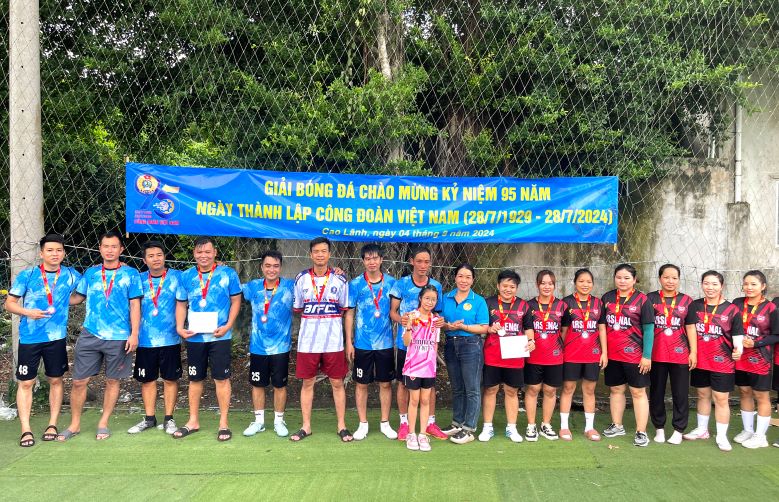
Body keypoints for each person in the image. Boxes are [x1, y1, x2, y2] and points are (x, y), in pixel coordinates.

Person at [58, 230, 143, 441]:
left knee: (113, 381)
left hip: (119, 336)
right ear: (100, 249)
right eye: (106, 246)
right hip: (91, 333)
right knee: (79, 381)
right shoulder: (91, 273)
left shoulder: (131, 274)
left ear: (121, 249)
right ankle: (75, 424)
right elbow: (77, 298)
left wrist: (134, 334)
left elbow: (135, 305)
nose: (110, 250)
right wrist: (53, 297)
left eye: (114, 246)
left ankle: (103, 422)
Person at [5, 234, 81, 447]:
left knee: (55, 380)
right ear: (41, 253)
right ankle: (25, 429)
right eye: (50, 250)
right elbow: (9, 304)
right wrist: (28, 312)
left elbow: (81, 295)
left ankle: (52, 424)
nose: (54, 254)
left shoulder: (71, 275)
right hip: (30, 338)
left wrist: (68, 302)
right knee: (26, 382)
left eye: (59, 250)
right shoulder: (28, 275)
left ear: (64, 253)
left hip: (56, 339)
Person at [173, 236, 242, 441]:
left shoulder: (227, 273)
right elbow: (181, 304)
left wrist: (228, 325)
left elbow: (236, 300)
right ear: (194, 253)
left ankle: (223, 423)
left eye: (208, 252)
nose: (204, 256)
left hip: (219, 336)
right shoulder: (186, 277)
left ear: (215, 253)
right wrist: (179, 327)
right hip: (195, 337)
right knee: (195, 379)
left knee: (222, 378)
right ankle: (193, 420)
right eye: (199, 252)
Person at [289, 237, 351, 442]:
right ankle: (306, 426)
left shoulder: (340, 280)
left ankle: (341, 425)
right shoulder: (301, 279)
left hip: (333, 341)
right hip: (308, 342)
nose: (320, 255)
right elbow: (298, 308)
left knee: (337, 382)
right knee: (308, 382)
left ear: (329, 254)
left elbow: (344, 309)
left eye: (324, 251)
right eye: (316, 251)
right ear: (311, 254)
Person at [388, 246, 447, 441]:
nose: (423, 265)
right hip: (407, 344)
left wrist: (440, 321)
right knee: (404, 385)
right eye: (419, 261)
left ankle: (429, 423)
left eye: (426, 261)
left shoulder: (436, 286)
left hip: (427, 348)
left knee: (428, 386)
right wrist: (403, 321)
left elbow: (437, 314)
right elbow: (393, 312)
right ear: (411, 261)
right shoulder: (401, 284)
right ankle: (404, 422)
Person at [683, 270, 744, 451]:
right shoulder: (694, 306)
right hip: (700, 359)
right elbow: (690, 330)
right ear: (702, 285)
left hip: (722, 361)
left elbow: (737, 335)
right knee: (702, 394)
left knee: (721, 398)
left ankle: (722, 435)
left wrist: (738, 350)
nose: (710, 287)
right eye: (706, 283)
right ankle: (702, 430)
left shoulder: (732, 309)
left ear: (721, 286)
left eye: (714, 284)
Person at [127, 241, 184, 435]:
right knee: (147, 380)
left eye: (159, 254)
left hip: (171, 339)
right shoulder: (138, 279)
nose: (156, 259)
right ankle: (149, 418)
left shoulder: (178, 277)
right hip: (145, 340)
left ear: (164, 256)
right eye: (151, 256)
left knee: (170, 379)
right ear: (144, 260)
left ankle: (169, 419)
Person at [345, 243, 398, 440]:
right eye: (368, 258)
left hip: (384, 344)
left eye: (375, 258)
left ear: (381, 260)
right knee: (361, 384)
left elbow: (396, 312)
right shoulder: (356, 284)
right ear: (363, 261)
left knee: (385, 384)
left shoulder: (392, 283)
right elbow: (349, 314)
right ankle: (363, 424)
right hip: (362, 344)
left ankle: (385, 423)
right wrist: (349, 342)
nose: (372, 262)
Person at [599, 263, 654, 447]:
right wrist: (604, 352)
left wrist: (646, 355)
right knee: (616, 390)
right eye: (619, 277)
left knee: (638, 392)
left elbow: (648, 330)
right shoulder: (607, 297)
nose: (622, 281)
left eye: (626, 278)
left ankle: (641, 431)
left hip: (635, 356)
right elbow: (603, 327)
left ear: (634, 280)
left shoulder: (642, 300)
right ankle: (617, 425)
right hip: (613, 356)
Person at [241, 250, 294, 438]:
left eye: (276, 266)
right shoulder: (253, 287)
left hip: (281, 347)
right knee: (258, 384)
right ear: (261, 267)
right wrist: (222, 269)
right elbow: (231, 288)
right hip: (258, 347)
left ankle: (279, 420)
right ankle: (259, 421)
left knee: (280, 385)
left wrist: (337, 271)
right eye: (268, 265)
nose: (272, 269)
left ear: (280, 267)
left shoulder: (290, 286)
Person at [478, 270, 534, 443]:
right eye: (504, 286)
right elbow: (481, 325)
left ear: (517, 288)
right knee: (490, 390)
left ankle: (512, 428)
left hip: (515, 355)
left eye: (512, 286)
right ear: (498, 286)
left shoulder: (524, 306)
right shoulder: (487, 303)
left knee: (511, 391)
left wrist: (532, 341)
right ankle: (487, 427)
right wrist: (488, 329)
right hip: (492, 354)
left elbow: (528, 328)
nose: (508, 289)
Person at [441, 264, 489, 444]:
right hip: (451, 345)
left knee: (472, 388)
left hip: (471, 345)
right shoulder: (446, 297)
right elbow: (439, 321)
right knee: (457, 387)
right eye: (460, 276)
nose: (464, 280)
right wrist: (447, 326)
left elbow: (484, 327)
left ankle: (469, 428)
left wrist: (463, 327)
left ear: (473, 280)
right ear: (455, 278)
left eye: (468, 277)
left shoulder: (478, 301)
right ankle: (457, 422)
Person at [647, 264, 694, 445]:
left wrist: (694, 352)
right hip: (656, 354)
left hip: (680, 355)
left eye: (674, 278)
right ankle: (659, 428)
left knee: (680, 393)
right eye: (666, 277)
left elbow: (690, 327)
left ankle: (678, 429)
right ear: (659, 278)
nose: (670, 281)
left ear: (679, 280)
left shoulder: (687, 301)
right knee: (656, 391)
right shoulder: (649, 298)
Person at [559, 268, 607, 442]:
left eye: (588, 282)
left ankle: (589, 427)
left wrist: (604, 353)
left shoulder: (598, 303)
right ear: (575, 282)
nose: (585, 284)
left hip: (592, 354)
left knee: (589, 390)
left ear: (593, 284)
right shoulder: (566, 303)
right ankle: (564, 427)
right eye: (581, 281)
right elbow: (563, 331)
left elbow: (602, 328)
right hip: (571, 354)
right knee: (568, 389)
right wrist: (560, 350)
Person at [732, 270, 778, 449]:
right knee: (744, 392)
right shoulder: (736, 303)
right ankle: (748, 430)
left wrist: (756, 343)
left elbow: (776, 335)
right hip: (740, 357)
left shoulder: (771, 308)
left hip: (760, 359)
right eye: (746, 284)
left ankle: (761, 436)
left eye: (753, 284)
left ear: (763, 287)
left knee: (761, 396)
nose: (749, 288)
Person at [524, 270, 566, 442]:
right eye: (543, 283)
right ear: (537, 284)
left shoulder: (562, 306)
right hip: (533, 356)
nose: (546, 286)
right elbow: (524, 329)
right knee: (533, 389)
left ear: (554, 285)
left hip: (554, 356)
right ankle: (531, 425)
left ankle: (545, 424)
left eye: (550, 283)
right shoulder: (528, 306)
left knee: (550, 390)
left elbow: (564, 331)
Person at [401, 285, 442, 452]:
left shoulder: (436, 320)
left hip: (428, 367)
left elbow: (435, 345)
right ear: (420, 298)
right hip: (413, 366)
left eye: (433, 299)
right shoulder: (411, 316)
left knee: (426, 400)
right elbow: (405, 342)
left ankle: (422, 434)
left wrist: (433, 365)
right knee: (414, 400)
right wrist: (410, 326)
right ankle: (411, 433)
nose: (429, 302)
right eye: (427, 298)